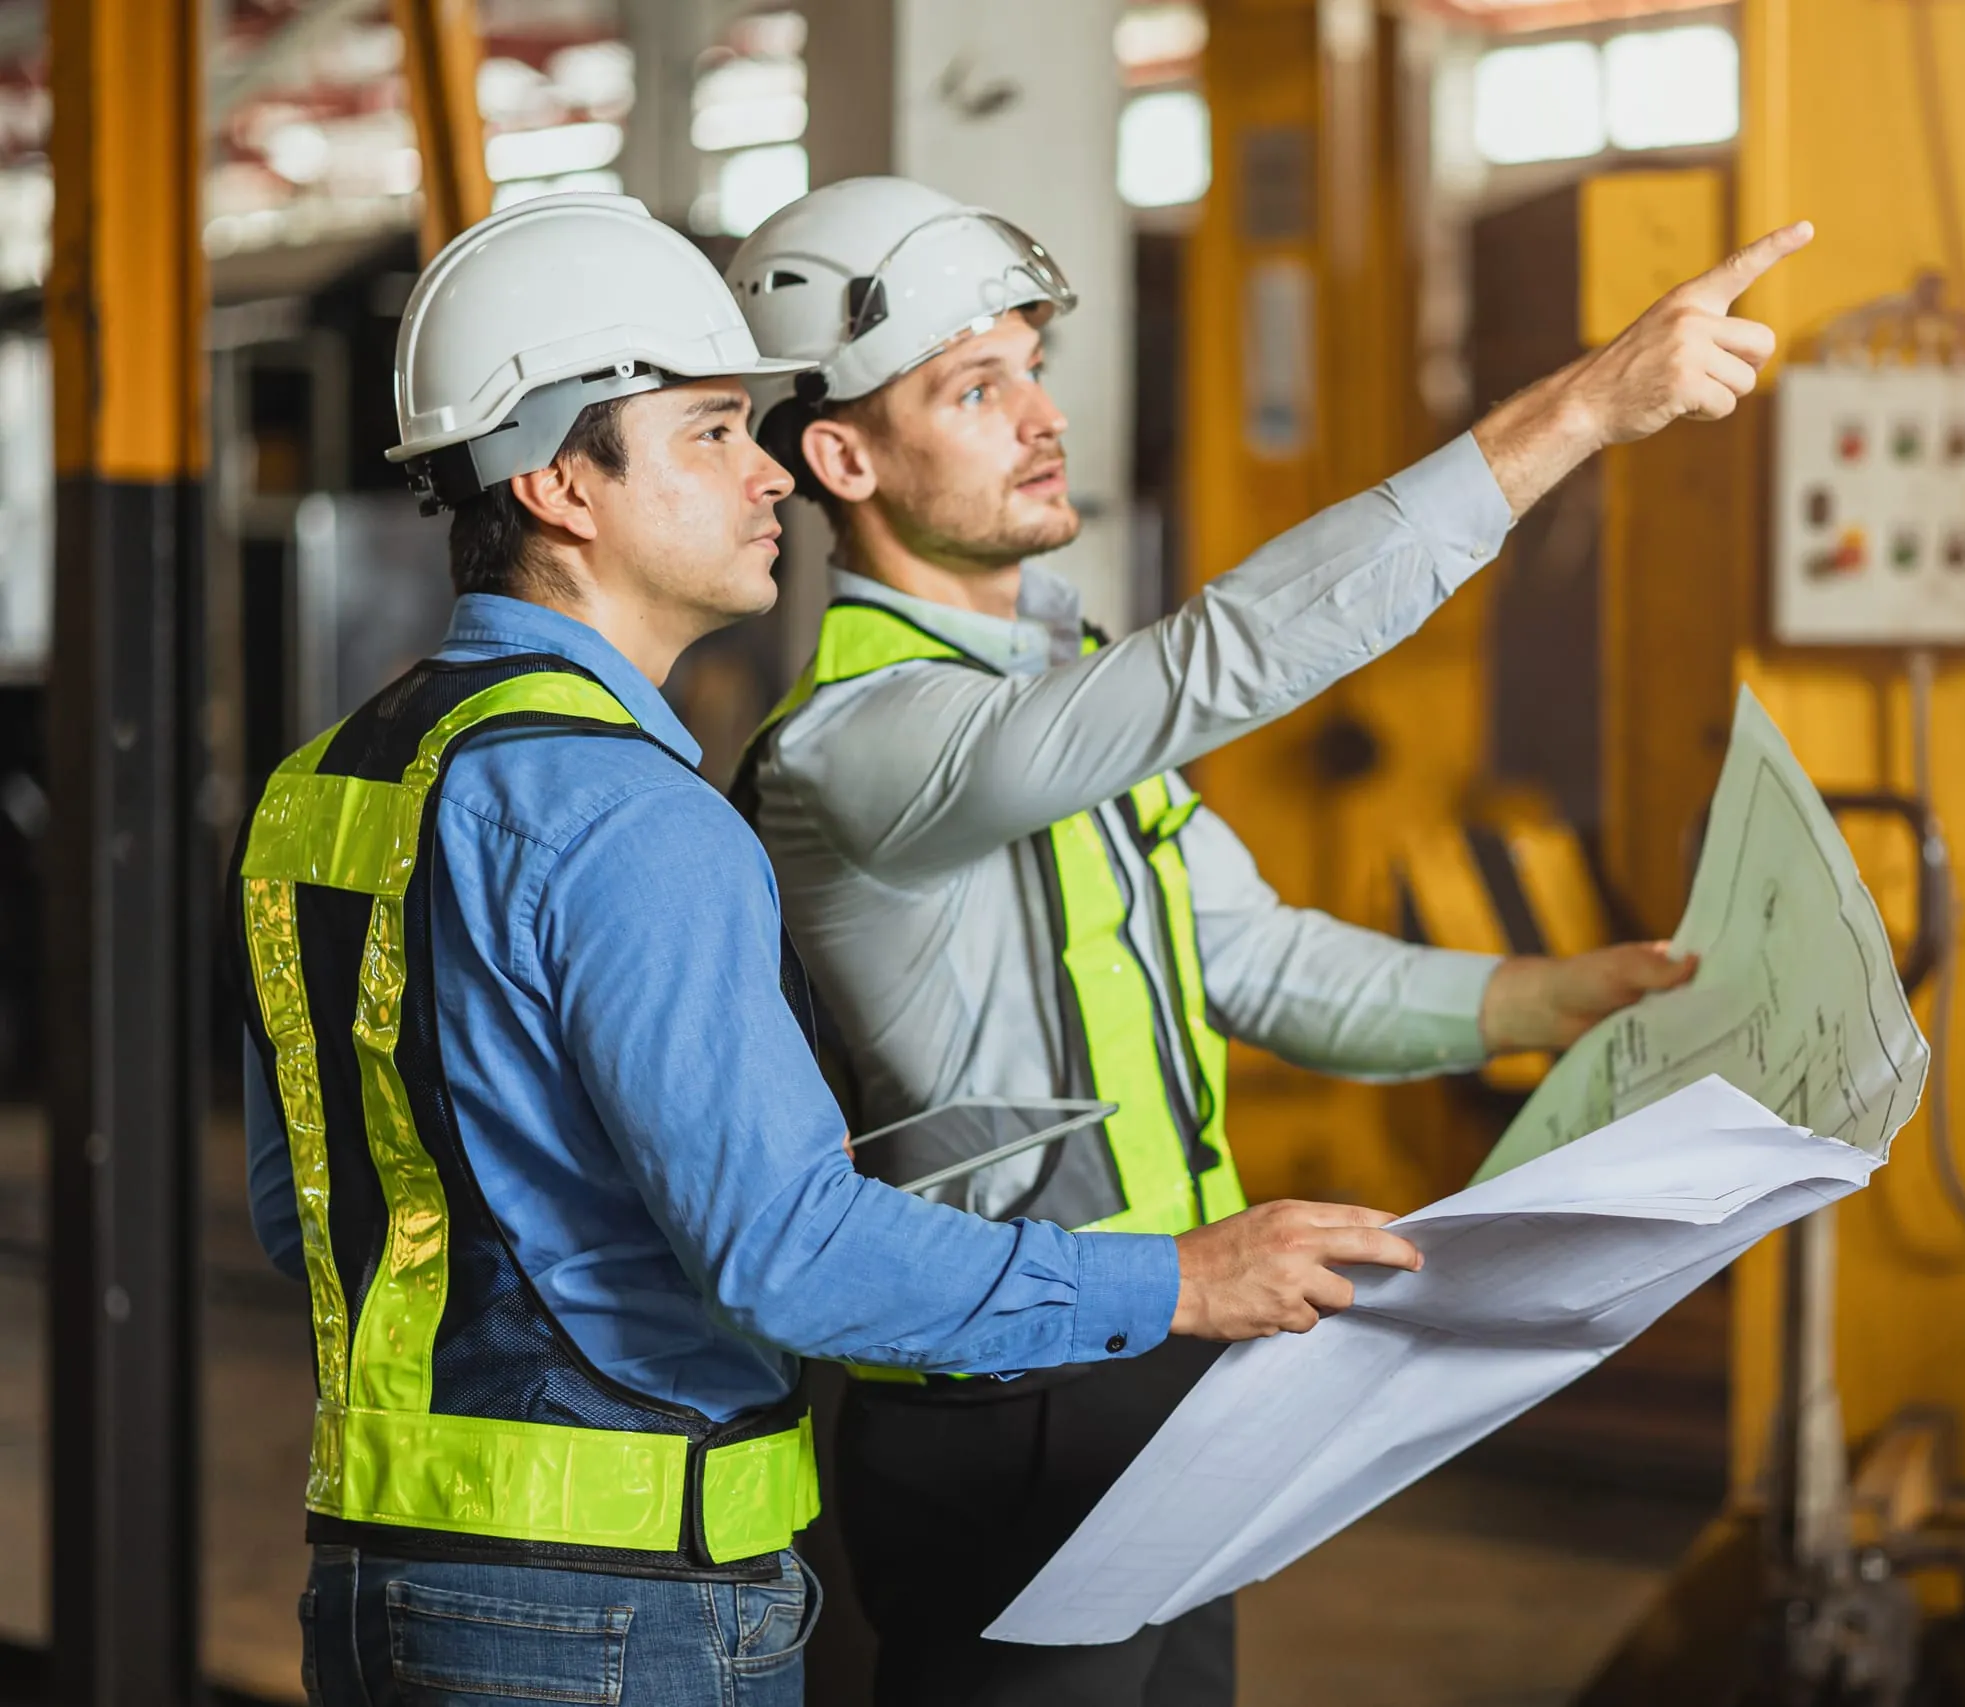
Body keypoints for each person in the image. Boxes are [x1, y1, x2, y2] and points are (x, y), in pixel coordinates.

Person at [234, 192, 1424, 1707]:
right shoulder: (632, 816)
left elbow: (311, 1209)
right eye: (713, 433)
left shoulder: (324, 784)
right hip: (620, 1599)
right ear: (556, 484)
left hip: (384, 1580)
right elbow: (784, 1253)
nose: (770, 471)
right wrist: (1174, 1280)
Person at [725, 176, 1809, 1705]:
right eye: (975, 387)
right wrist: (1577, 413)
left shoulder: (1058, 693)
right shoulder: (861, 743)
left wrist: (1554, 996)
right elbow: (1227, 657)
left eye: (1033, 366)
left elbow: (1260, 961)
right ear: (841, 454)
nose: (1040, 416)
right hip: (1009, 1397)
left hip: (1182, 1352)